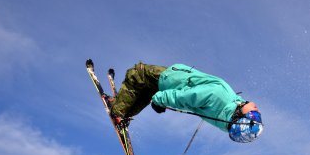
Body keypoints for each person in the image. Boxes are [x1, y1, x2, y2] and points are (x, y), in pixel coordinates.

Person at [109, 62, 263, 143]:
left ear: (239, 118)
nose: (257, 111)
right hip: (176, 80)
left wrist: (160, 100)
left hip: (173, 80)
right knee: (147, 89)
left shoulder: (217, 97)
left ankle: (118, 109)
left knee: (137, 74)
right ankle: (125, 112)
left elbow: (185, 97)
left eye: (254, 116)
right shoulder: (226, 113)